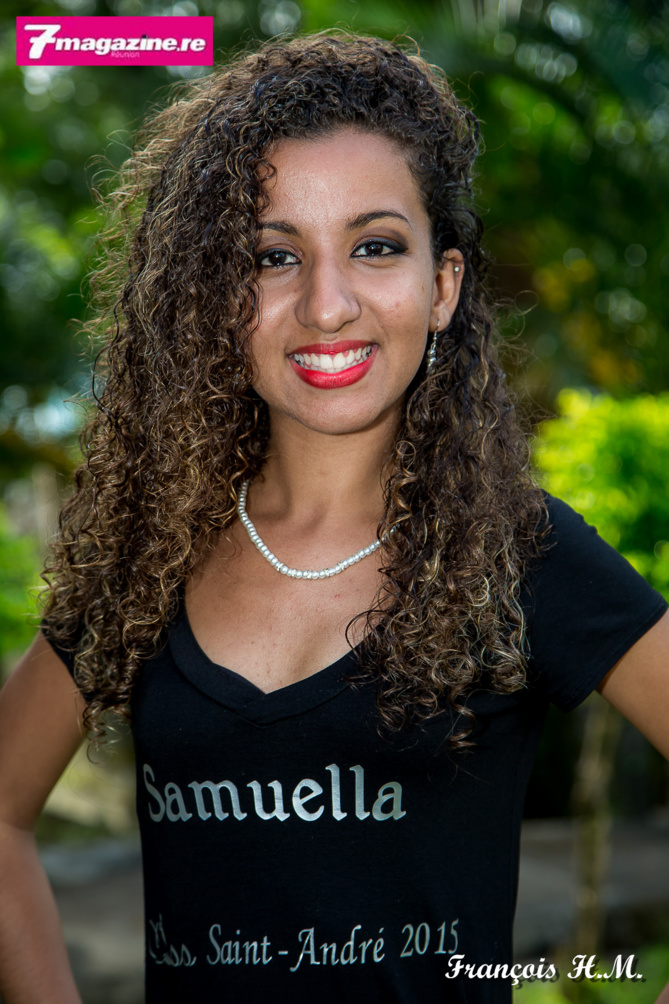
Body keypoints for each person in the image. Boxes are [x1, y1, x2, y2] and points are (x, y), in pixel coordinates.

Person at [0, 32, 668, 1004]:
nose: (326, 304)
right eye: (274, 255)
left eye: (376, 246)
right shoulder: (150, 554)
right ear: (217, 296)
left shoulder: (518, 552)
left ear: (442, 286)